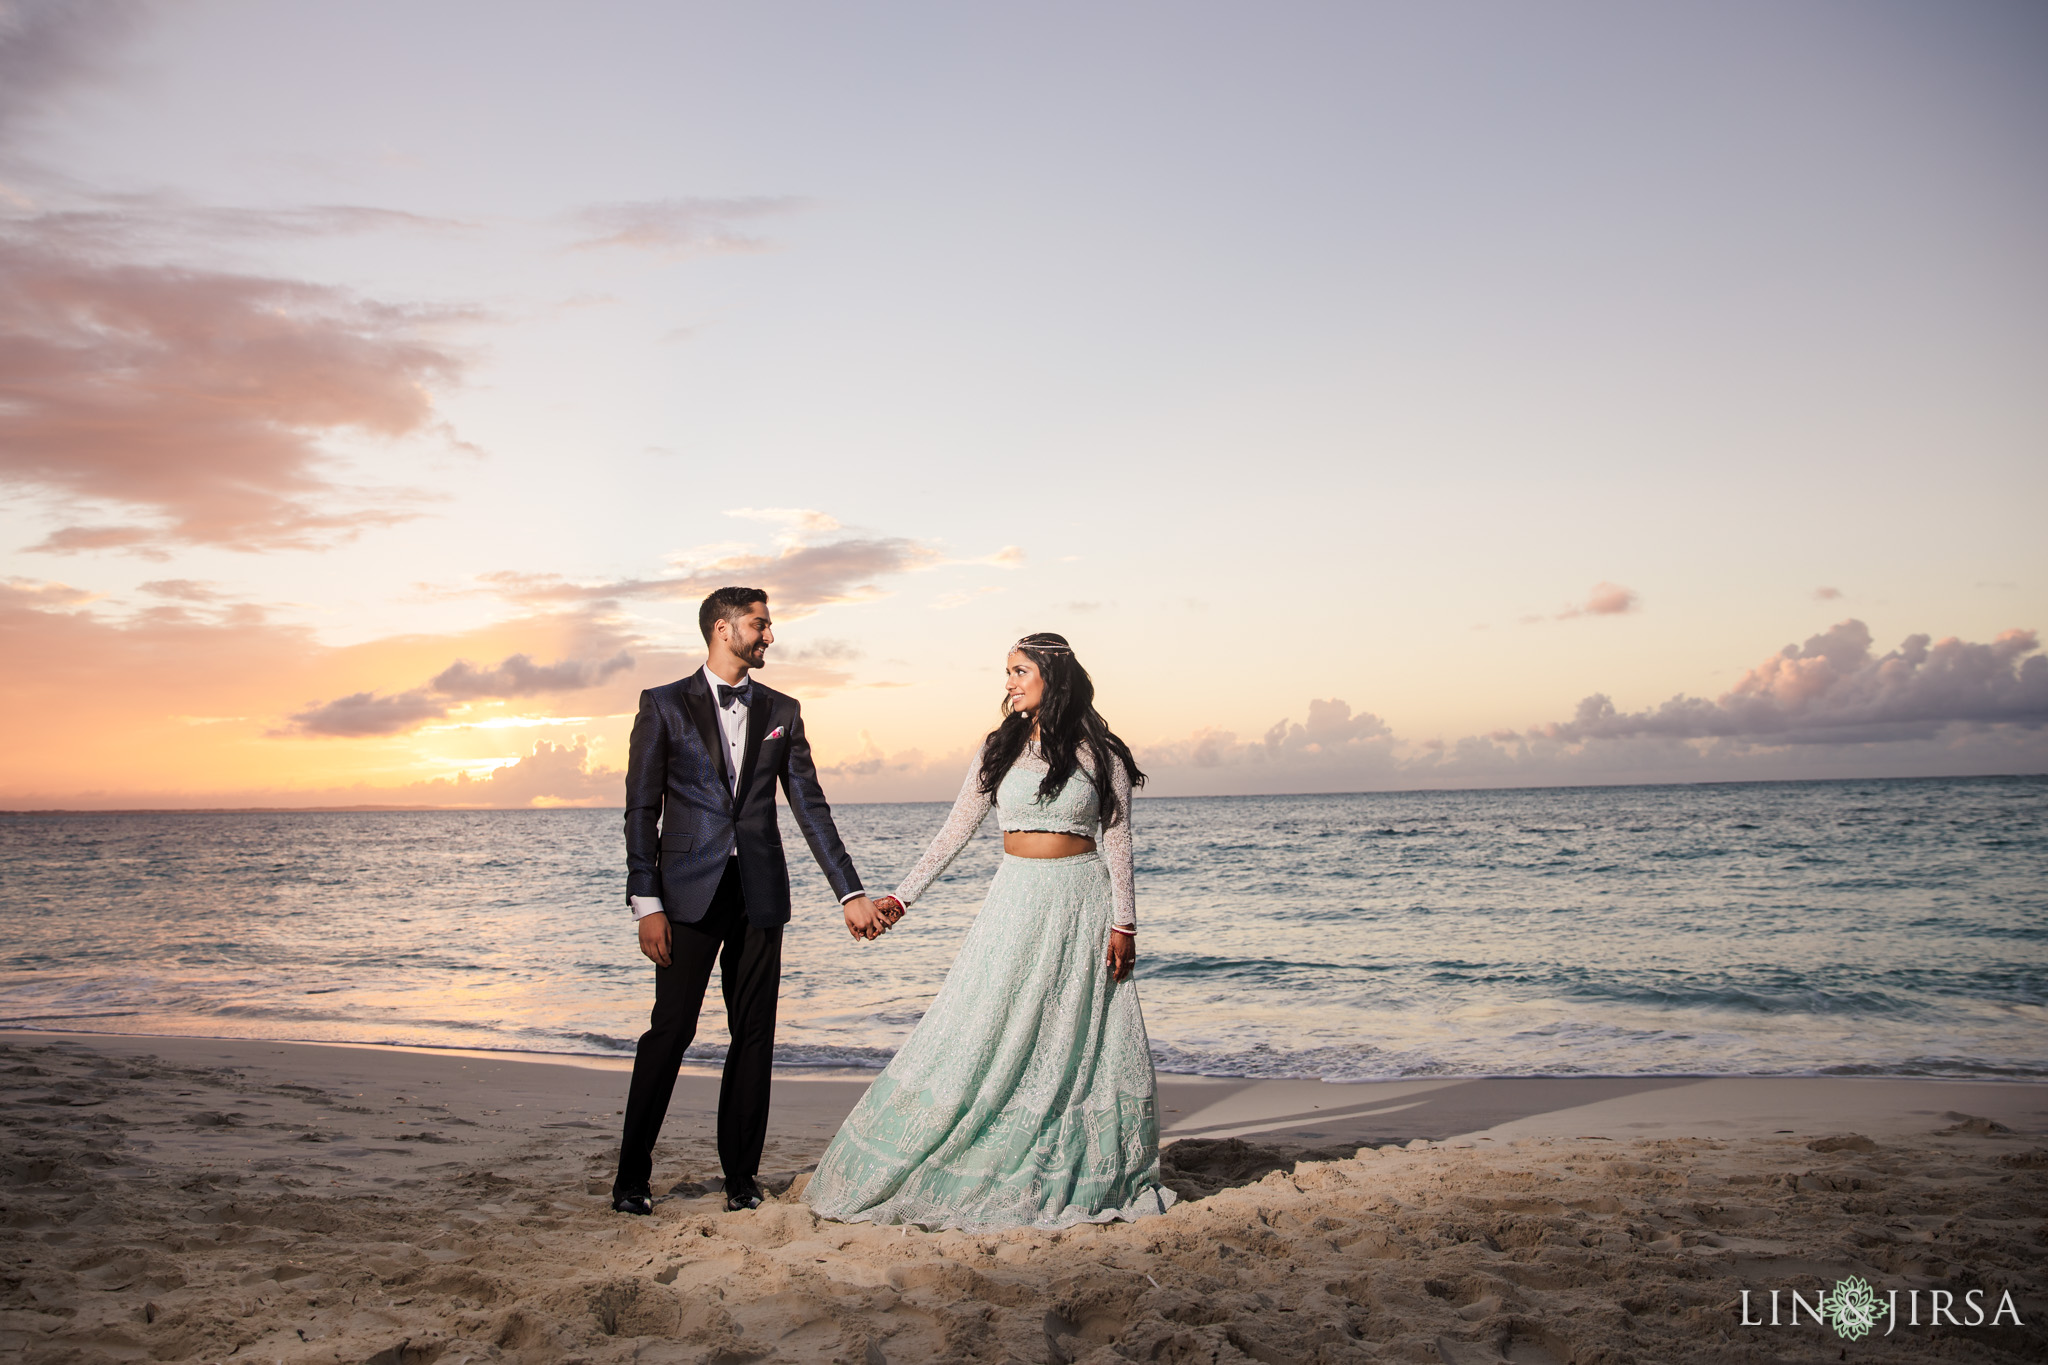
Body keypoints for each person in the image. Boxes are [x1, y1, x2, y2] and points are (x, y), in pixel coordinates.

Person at [803, 632, 1177, 1231]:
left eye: (1019, 670)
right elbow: (954, 832)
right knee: (986, 1025)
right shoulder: (997, 749)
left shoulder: (1099, 752)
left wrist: (1124, 922)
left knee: (1071, 1038)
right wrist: (901, 898)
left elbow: (1119, 838)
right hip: (1015, 900)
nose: (1008, 682)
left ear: (1051, 677)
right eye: (1007, 671)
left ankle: (1073, 1157)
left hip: (1081, 899)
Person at [612, 586, 896, 1215]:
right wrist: (645, 901)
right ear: (723, 628)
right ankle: (631, 1179)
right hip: (685, 894)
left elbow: (809, 807)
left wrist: (849, 890)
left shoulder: (782, 710)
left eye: (769, 626)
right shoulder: (662, 706)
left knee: (754, 1037)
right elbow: (641, 810)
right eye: (760, 625)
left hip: (760, 892)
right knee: (671, 1030)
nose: (769, 636)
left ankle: (741, 1181)